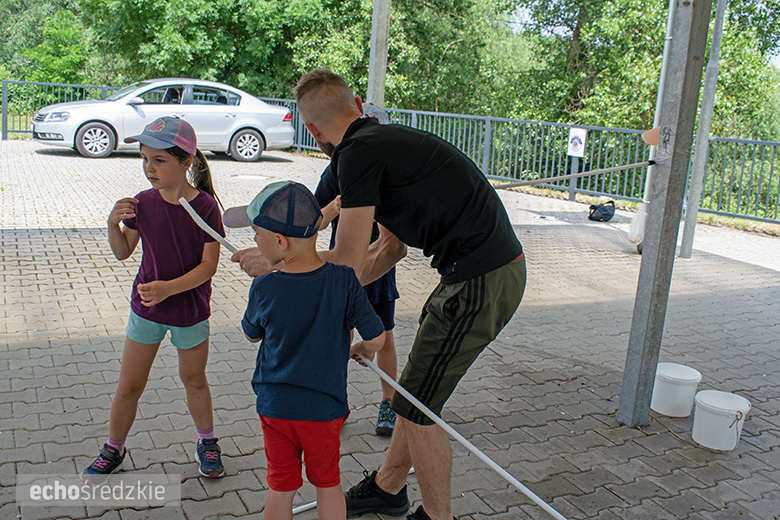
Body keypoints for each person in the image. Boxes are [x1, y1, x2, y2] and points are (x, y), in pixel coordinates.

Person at [232, 69, 526, 520]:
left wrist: (280, 264)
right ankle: (389, 489)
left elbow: (347, 259)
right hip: (475, 277)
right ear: (354, 101)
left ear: (311, 130)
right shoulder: (379, 145)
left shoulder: (357, 154)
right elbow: (389, 248)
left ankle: (436, 516)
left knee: (417, 406)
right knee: (414, 391)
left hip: (481, 281)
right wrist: (335, 304)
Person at [224, 180, 387, 520]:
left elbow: (252, 334)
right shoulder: (344, 280)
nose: (254, 241)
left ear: (280, 241)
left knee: (280, 487)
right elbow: (378, 338)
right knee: (327, 485)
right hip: (323, 410)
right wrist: (362, 348)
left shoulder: (264, 286)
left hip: (275, 407)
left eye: (256, 233)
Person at [82, 116, 225, 482]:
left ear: (186, 162)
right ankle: (114, 446)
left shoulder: (206, 207)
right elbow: (122, 252)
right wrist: (112, 224)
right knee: (129, 385)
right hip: (146, 309)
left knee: (193, 379)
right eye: (145, 159)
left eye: (159, 160)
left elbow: (209, 266)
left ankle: (207, 441)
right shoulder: (142, 203)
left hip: (189, 311)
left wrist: (169, 288)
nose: (149, 168)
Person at [315, 102, 401, 437]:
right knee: (339, 339)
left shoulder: (394, 175)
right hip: (344, 270)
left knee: (385, 339)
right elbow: (315, 221)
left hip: (379, 272)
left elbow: (399, 244)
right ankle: (336, 403)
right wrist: (335, 207)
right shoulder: (339, 169)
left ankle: (390, 403)